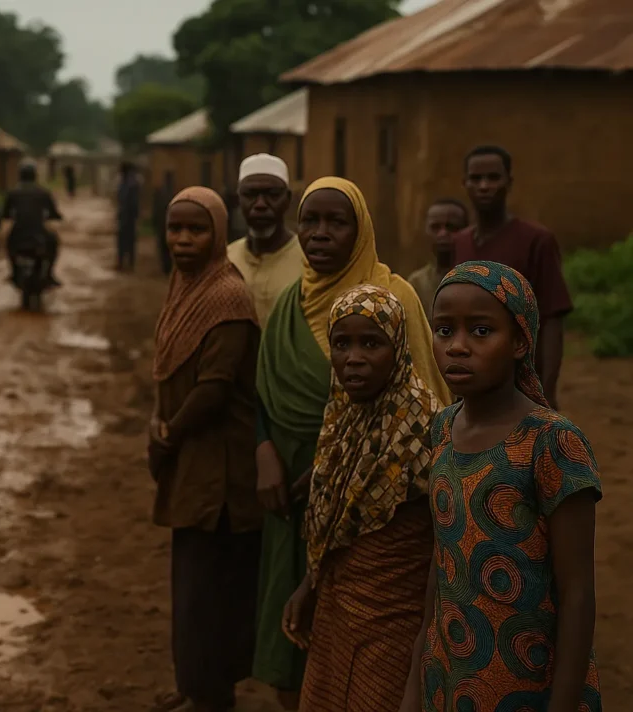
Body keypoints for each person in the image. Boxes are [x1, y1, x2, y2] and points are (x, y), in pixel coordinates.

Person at [254, 177, 450, 710]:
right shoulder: (294, 302)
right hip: (300, 493)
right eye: (310, 221)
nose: (318, 234)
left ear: (360, 229)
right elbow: (263, 389)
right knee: (299, 627)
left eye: (335, 222)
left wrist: (348, 471)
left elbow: (426, 395)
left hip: (386, 502)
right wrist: (268, 451)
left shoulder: (396, 297)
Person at [401, 261, 602, 712]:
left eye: (480, 331)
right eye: (444, 330)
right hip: (449, 676)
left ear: (519, 342)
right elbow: (443, 561)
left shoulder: (551, 442)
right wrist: (417, 680)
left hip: (528, 685)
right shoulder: (442, 429)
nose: (457, 347)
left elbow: (578, 594)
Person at [281, 284, 441, 710]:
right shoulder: (342, 421)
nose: (353, 358)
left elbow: (442, 550)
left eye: (371, 343)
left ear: (400, 347)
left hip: (394, 627)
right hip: (336, 614)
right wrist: (308, 587)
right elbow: (337, 525)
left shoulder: (422, 429)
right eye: (341, 344)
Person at [149, 186, 261, 712]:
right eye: (175, 229)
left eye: (196, 230)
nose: (183, 240)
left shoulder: (226, 297)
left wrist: (169, 432)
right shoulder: (184, 285)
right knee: (189, 585)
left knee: (208, 591)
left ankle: (211, 695)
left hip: (219, 468)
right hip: (192, 457)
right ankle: (196, 685)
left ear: (218, 234)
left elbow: (214, 390)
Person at [453, 145, 572, 408]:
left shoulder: (536, 241)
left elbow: (552, 318)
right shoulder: (460, 243)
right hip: (471, 382)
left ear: (509, 182)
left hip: (519, 384)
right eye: (476, 179)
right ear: (465, 183)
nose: (484, 186)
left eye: (493, 178)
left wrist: (547, 390)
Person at [227, 154, 304, 323]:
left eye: (272, 194)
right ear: (238, 199)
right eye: (250, 194)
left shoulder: (308, 260)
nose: (260, 204)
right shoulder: (227, 259)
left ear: (288, 199)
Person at [407, 198, 469, 322]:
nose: (442, 234)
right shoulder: (417, 283)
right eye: (435, 227)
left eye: (451, 227)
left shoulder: (478, 280)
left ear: (467, 231)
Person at [4, 162, 63, 288]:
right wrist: (56, 216)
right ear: (35, 176)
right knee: (53, 244)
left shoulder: (13, 192)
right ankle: (49, 273)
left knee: (9, 247)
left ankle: (14, 272)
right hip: (39, 231)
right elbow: (53, 213)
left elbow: (5, 213)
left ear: (20, 176)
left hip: (18, 231)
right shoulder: (43, 192)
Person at [116, 162, 141, 271]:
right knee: (128, 241)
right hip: (127, 216)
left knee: (125, 240)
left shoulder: (129, 183)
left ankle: (125, 263)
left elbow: (130, 202)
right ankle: (127, 263)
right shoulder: (130, 182)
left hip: (127, 216)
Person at [152, 173, 175, 276]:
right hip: (167, 224)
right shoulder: (173, 194)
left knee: (164, 246)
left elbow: (156, 210)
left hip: (165, 224)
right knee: (166, 246)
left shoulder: (162, 193)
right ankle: (167, 268)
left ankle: (166, 268)